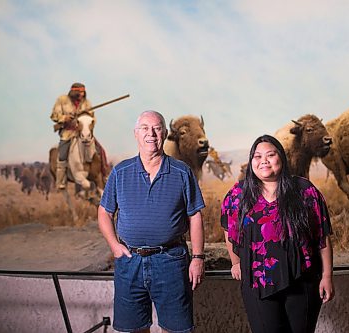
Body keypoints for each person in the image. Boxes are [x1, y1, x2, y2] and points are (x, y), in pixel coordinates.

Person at [98, 110, 205, 333]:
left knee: (177, 329)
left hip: (171, 261)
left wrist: (197, 258)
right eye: (145, 128)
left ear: (165, 134)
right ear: (136, 134)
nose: (151, 134)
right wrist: (114, 246)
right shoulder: (120, 172)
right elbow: (104, 213)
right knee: (133, 329)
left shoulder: (182, 172)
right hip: (130, 262)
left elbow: (195, 215)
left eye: (157, 128)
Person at [221, 134, 334, 333]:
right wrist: (235, 262)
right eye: (257, 156)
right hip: (257, 282)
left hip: (303, 281)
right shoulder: (238, 194)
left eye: (270, 155)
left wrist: (327, 276)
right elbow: (229, 230)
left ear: (281, 157)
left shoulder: (304, 190)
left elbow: (322, 236)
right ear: (251, 161)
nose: (263, 160)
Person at [50, 82, 94, 190]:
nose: (82, 95)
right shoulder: (62, 100)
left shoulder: (86, 103)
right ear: (74, 92)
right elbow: (54, 116)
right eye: (80, 92)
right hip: (68, 134)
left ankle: (103, 173)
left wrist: (86, 122)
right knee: (62, 155)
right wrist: (65, 118)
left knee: (99, 151)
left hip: (82, 133)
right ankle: (61, 181)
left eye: (83, 92)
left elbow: (92, 118)